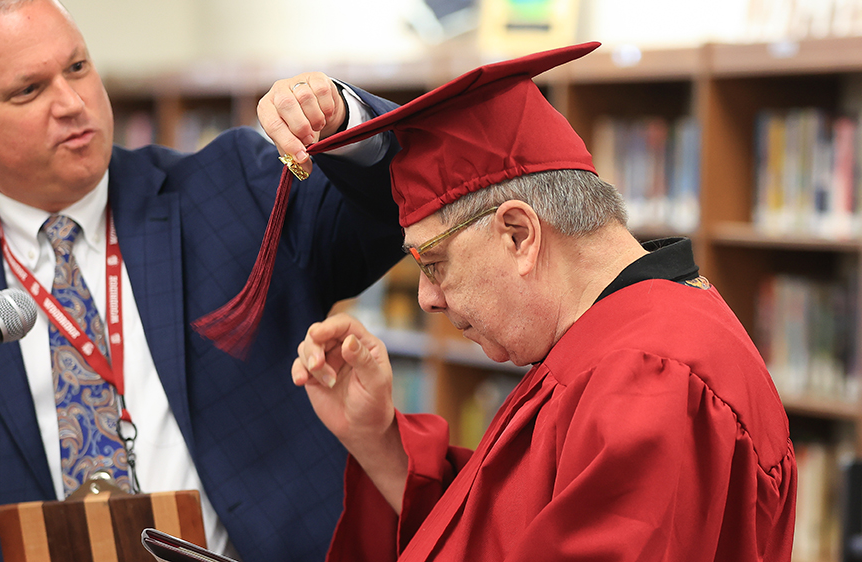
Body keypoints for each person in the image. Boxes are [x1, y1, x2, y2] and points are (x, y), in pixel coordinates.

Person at [0, 0, 405, 561]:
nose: (71, 103)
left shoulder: (231, 190)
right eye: (29, 90)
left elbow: (390, 209)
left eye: (78, 68)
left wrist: (344, 120)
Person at [291, 42, 796, 561]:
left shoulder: (651, 378)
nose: (427, 299)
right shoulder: (616, 338)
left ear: (518, 234)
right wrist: (379, 441)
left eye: (433, 264)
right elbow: (502, 533)